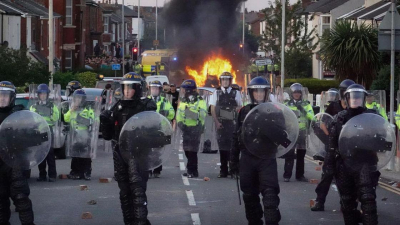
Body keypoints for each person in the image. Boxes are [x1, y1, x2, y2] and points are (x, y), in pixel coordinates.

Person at [100, 72, 156, 225]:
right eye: (124, 87)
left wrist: (150, 111)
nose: (126, 91)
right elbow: (107, 136)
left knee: (138, 190)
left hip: (139, 153)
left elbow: (154, 128)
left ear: (137, 89)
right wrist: (105, 121)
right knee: (125, 192)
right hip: (120, 153)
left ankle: (141, 221)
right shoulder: (117, 107)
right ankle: (129, 221)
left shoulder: (144, 105)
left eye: (130, 88)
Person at [326, 84, 381, 224]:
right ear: (347, 99)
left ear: (363, 98)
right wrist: (329, 166)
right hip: (345, 164)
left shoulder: (373, 116)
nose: (355, 100)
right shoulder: (339, 118)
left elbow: (382, 136)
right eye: (353, 97)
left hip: (365, 162)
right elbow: (332, 145)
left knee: (368, 199)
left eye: (358, 97)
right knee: (347, 203)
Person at [230, 77, 281, 225]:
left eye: (262, 91)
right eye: (256, 91)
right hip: (247, 157)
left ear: (267, 93)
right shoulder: (244, 111)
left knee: (270, 195)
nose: (259, 94)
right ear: (251, 93)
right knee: (249, 195)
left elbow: (284, 139)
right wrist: (233, 160)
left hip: (267, 157)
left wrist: (268, 126)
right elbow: (236, 135)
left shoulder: (275, 111)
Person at [311, 79, 354, 211]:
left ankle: (346, 203)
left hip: (349, 148)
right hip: (333, 147)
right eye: (344, 92)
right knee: (327, 175)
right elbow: (323, 122)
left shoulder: (355, 108)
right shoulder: (334, 106)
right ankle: (319, 201)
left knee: (347, 177)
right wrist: (330, 137)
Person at [0, 81, 35, 225]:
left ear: (12, 97)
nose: (2, 99)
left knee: (21, 198)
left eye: (5, 96)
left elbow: (32, 136)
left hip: (15, 162)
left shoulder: (20, 115)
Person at [210, 72, 242, 178]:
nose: (225, 82)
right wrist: (217, 122)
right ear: (221, 81)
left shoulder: (236, 93)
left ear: (230, 81)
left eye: (227, 80)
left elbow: (240, 107)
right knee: (222, 148)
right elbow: (213, 108)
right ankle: (223, 170)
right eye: (223, 80)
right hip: (221, 124)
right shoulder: (216, 93)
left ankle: (233, 170)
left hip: (232, 124)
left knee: (233, 147)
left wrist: (234, 114)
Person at [176, 80, 207, 178]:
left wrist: (189, 113)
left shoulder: (200, 100)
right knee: (186, 150)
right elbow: (180, 113)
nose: (184, 92)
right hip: (185, 129)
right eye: (183, 90)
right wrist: (179, 122)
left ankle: (192, 170)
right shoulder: (183, 100)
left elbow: (202, 114)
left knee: (193, 151)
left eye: (186, 90)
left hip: (195, 128)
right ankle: (190, 169)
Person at [283, 83, 314, 182]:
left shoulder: (306, 104)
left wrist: (303, 110)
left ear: (301, 93)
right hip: (291, 131)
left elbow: (312, 117)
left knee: (301, 154)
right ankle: (287, 175)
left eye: (298, 92)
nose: (296, 94)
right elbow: (282, 115)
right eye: (295, 92)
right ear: (292, 93)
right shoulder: (287, 104)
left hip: (302, 132)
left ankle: (300, 175)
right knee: (289, 154)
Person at [29, 84, 60, 182]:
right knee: (40, 154)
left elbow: (56, 118)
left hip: (48, 131)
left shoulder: (52, 106)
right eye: (41, 94)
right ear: (38, 95)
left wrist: (48, 114)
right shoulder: (34, 106)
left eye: (44, 94)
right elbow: (32, 119)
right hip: (38, 132)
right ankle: (42, 174)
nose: (43, 95)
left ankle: (52, 175)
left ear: (47, 95)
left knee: (50, 154)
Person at [64, 89, 95, 180]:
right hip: (75, 134)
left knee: (85, 155)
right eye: (76, 98)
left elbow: (94, 120)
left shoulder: (88, 109)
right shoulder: (72, 109)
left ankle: (86, 172)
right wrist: (71, 111)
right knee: (75, 154)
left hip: (85, 134)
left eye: (80, 98)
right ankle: (75, 171)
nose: (78, 100)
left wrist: (81, 119)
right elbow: (66, 118)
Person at [147, 80, 175, 178]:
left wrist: (165, 113)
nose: (154, 90)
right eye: (152, 88)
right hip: (149, 130)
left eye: (156, 88)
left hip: (160, 130)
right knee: (148, 151)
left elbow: (172, 113)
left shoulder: (164, 101)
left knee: (158, 151)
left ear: (159, 90)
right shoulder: (146, 100)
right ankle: (149, 169)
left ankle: (157, 170)